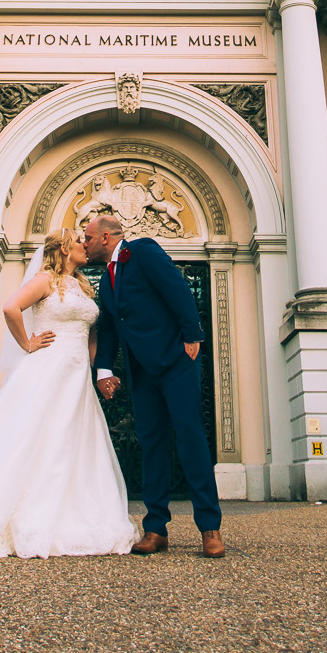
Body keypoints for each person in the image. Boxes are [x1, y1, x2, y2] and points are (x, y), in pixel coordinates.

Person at [0, 226, 139, 560]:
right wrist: (28, 344)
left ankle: (74, 514)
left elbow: (89, 334)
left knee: (74, 441)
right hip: (49, 369)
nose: (84, 246)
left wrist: (100, 370)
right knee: (41, 437)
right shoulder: (45, 281)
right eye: (78, 242)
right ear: (63, 250)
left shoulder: (83, 286)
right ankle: (29, 516)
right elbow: (10, 307)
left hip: (77, 377)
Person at [84, 209, 224, 558]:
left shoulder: (143, 250)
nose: (84, 244)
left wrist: (193, 335)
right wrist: (104, 370)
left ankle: (210, 528)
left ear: (105, 237)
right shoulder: (107, 280)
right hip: (141, 373)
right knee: (151, 446)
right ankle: (155, 528)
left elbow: (176, 288)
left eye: (87, 237)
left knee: (191, 440)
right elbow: (111, 329)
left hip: (176, 362)